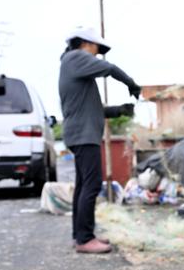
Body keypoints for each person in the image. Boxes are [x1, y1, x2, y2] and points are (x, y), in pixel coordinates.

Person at [59, 27, 140, 254]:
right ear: (86, 43)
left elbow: (92, 109)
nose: (96, 54)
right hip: (84, 136)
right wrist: (131, 83)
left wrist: (120, 110)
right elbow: (110, 68)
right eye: (96, 48)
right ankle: (85, 239)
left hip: (80, 133)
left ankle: (80, 235)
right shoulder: (76, 58)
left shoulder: (72, 66)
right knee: (92, 184)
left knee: (84, 185)